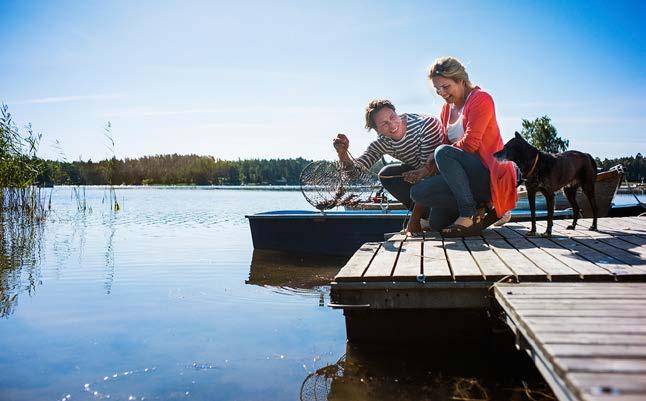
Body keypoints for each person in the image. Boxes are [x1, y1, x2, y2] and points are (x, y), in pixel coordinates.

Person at [410, 56, 517, 236]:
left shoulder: (481, 99)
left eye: (446, 87)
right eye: (437, 89)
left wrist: (438, 154)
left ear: (461, 81)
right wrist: (427, 168)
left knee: (442, 152)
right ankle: (484, 210)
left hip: (488, 174)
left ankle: (470, 213)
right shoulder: (446, 109)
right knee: (422, 198)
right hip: (464, 180)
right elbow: (446, 145)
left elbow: (470, 143)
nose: (442, 93)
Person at [333, 99, 443, 233]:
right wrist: (342, 154)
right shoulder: (381, 143)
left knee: (439, 221)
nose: (392, 126)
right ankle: (426, 218)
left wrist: (413, 220)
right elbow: (355, 173)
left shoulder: (426, 125)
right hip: (423, 179)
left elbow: (429, 173)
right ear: (376, 130)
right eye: (384, 124)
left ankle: (427, 218)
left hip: (443, 179)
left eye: (392, 117)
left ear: (396, 112)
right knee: (386, 173)